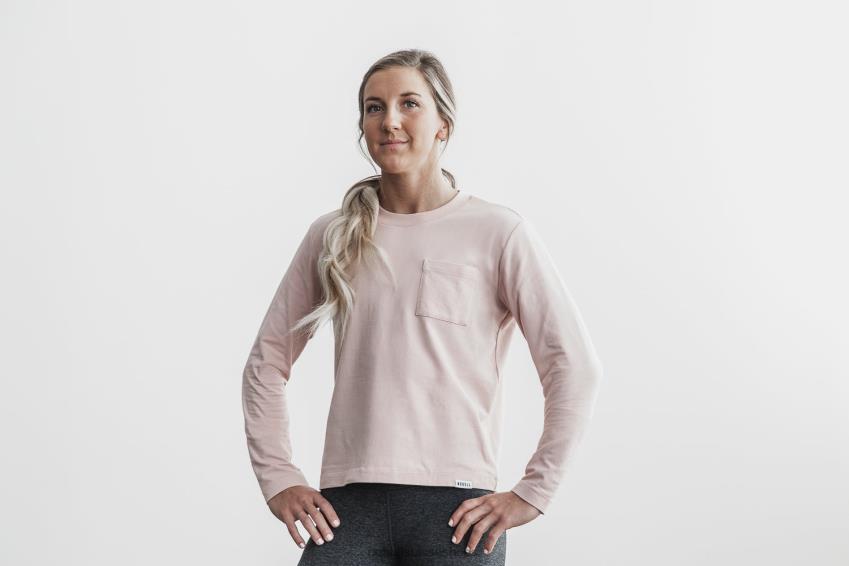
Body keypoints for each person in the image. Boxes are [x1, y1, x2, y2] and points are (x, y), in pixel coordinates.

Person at [241, 49, 603, 565]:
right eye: (374, 107)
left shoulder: (497, 232)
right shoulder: (332, 235)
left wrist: (534, 491)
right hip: (346, 506)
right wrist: (278, 477)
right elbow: (266, 363)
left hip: (459, 513)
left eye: (409, 103)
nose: (390, 120)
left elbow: (573, 364)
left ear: (443, 125)